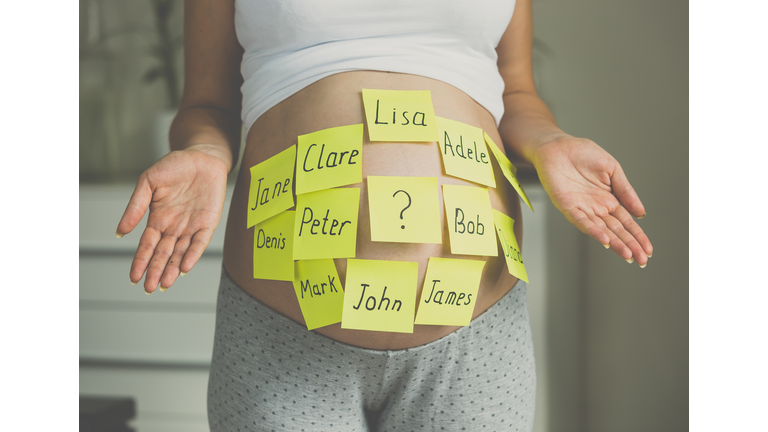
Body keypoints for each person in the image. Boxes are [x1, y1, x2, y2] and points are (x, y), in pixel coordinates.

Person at [116, 0, 653, 430]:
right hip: (281, 328)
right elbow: (207, 104)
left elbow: (515, 93)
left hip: (475, 331)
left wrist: (551, 141)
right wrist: (206, 152)